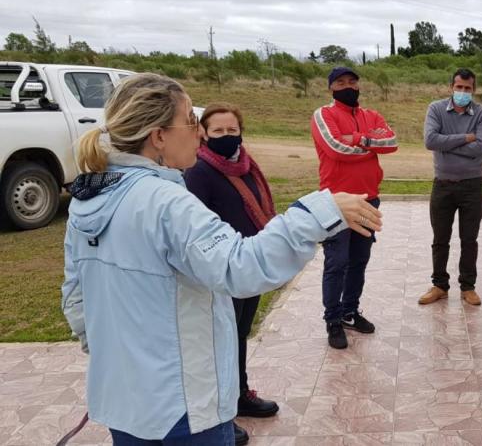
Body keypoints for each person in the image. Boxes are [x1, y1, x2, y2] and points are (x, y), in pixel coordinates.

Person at [61, 73, 382, 445]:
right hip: (182, 407)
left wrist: (118, 357)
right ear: (158, 136)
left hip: (126, 403)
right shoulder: (165, 203)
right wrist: (319, 212)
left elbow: (76, 299)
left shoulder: (90, 199)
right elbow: (240, 266)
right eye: (191, 121)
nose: (199, 133)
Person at [183, 103, 280, 445]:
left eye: (232, 130)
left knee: (237, 336)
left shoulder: (245, 165)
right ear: (204, 134)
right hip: (220, 270)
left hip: (247, 265)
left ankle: (239, 396)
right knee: (219, 342)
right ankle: (220, 414)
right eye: (218, 131)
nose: (227, 137)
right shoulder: (198, 171)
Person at [311, 66, 398, 350]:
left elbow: (392, 142)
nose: (347, 86)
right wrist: (373, 147)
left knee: (359, 260)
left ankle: (350, 311)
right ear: (331, 88)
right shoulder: (324, 115)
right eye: (340, 82)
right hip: (335, 202)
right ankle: (333, 320)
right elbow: (336, 148)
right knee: (336, 263)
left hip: (368, 200)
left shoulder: (370, 115)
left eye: (352, 81)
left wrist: (361, 139)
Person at [418, 68, 482, 307]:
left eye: (467, 88)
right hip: (442, 184)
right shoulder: (436, 109)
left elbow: (481, 148)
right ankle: (439, 285)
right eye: (459, 87)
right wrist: (466, 137)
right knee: (440, 238)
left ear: (474, 90)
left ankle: (468, 287)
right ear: (451, 87)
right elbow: (430, 141)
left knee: (469, 239)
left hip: (472, 186)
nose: (462, 92)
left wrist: (446, 142)